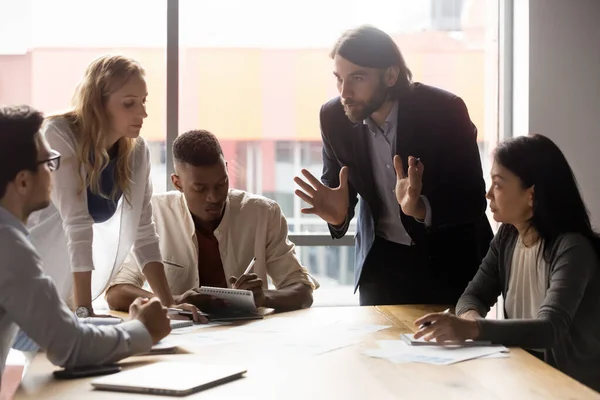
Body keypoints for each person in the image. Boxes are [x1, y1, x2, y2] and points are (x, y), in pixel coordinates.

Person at [293, 25, 492, 305]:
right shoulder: (333, 117)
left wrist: (421, 208)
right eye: (339, 78)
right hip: (381, 262)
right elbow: (337, 188)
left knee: (451, 348)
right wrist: (337, 216)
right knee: (375, 347)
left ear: (390, 75)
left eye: (357, 78)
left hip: (448, 259)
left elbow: (472, 199)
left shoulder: (444, 110)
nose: (344, 92)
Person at [414, 134, 600, 392]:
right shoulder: (508, 236)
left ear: (531, 195)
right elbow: (472, 296)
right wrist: (468, 322)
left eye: (498, 184)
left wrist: (471, 328)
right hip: (523, 377)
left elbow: (549, 330)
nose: (488, 194)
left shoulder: (572, 249)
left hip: (570, 389)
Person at [0, 105, 172, 379]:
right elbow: (69, 346)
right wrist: (143, 331)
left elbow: (34, 331)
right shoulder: (9, 246)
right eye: (49, 163)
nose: (54, 172)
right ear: (22, 182)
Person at [27, 55, 198, 319]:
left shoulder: (136, 151)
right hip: (30, 265)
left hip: (69, 272)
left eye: (143, 101)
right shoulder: (59, 135)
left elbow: (144, 233)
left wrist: (167, 303)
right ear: (98, 104)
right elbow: (76, 223)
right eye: (129, 103)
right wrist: (85, 312)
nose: (142, 113)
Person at [105, 130, 317, 313]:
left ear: (226, 170)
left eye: (221, 184)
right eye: (200, 188)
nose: (213, 197)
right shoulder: (153, 214)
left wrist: (263, 297)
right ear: (177, 183)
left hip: (249, 342)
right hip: (181, 339)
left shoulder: (263, 214)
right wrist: (173, 301)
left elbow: (302, 290)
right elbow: (116, 292)